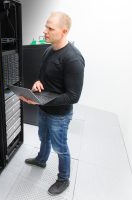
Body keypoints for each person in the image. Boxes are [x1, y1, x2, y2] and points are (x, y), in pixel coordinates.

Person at [19, 11, 85, 195]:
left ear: (64, 31)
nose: (45, 31)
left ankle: (63, 179)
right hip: (44, 109)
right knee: (43, 137)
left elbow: (73, 96)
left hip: (60, 115)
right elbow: (44, 76)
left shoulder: (73, 59)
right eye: (45, 26)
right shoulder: (48, 50)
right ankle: (41, 159)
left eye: (50, 28)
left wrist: (42, 99)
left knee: (60, 148)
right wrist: (38, 83)